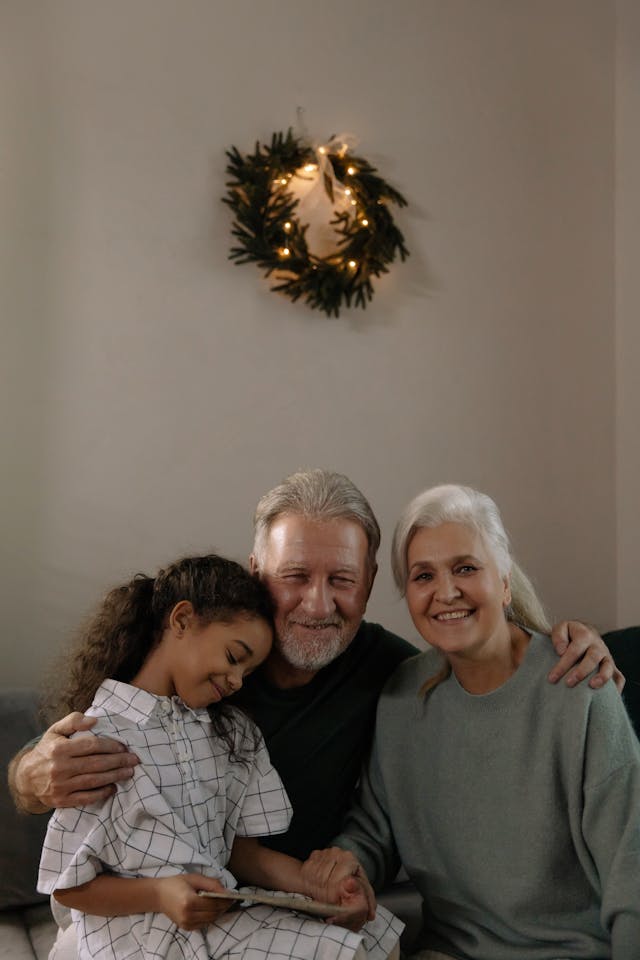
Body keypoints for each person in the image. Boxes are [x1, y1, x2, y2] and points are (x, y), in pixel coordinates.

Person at [305, 484, 640, 959]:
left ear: (504, 582)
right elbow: (376, 828)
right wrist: (348, 863)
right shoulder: (402, 696)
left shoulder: (580, 689)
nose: (446, 592)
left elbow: (634, 871)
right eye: (423, 576)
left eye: (465, 568)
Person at [36, 553, 403, 960]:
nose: (235, 681)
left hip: (217, 918)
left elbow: (239, 853)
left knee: (379, 932)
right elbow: (69, 886)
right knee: (343, 953)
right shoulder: (96, 739)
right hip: (137, 935)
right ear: (181, 621)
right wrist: (160, 893)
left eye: (247, 672)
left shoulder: (230, 732)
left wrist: (312, 883)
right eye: (233, 657)